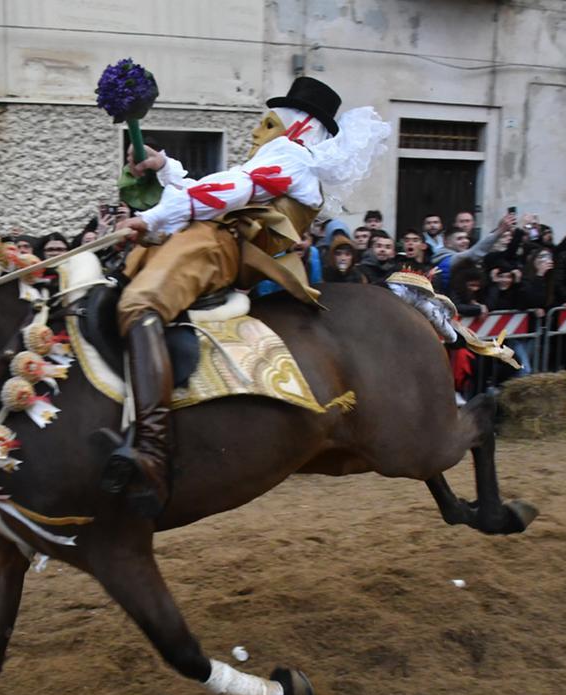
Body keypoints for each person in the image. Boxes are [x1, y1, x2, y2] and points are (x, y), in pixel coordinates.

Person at [108, 76, 389, 516]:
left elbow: (223, 194)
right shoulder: (280, 161)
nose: (257, 130)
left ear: (296, 128)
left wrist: (150, 218)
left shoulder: (292, 159)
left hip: (213, 247)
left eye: (267, 122)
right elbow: (212, 189)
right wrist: (164, 166)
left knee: (137, 305)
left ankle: (150, 450)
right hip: (206, 239)